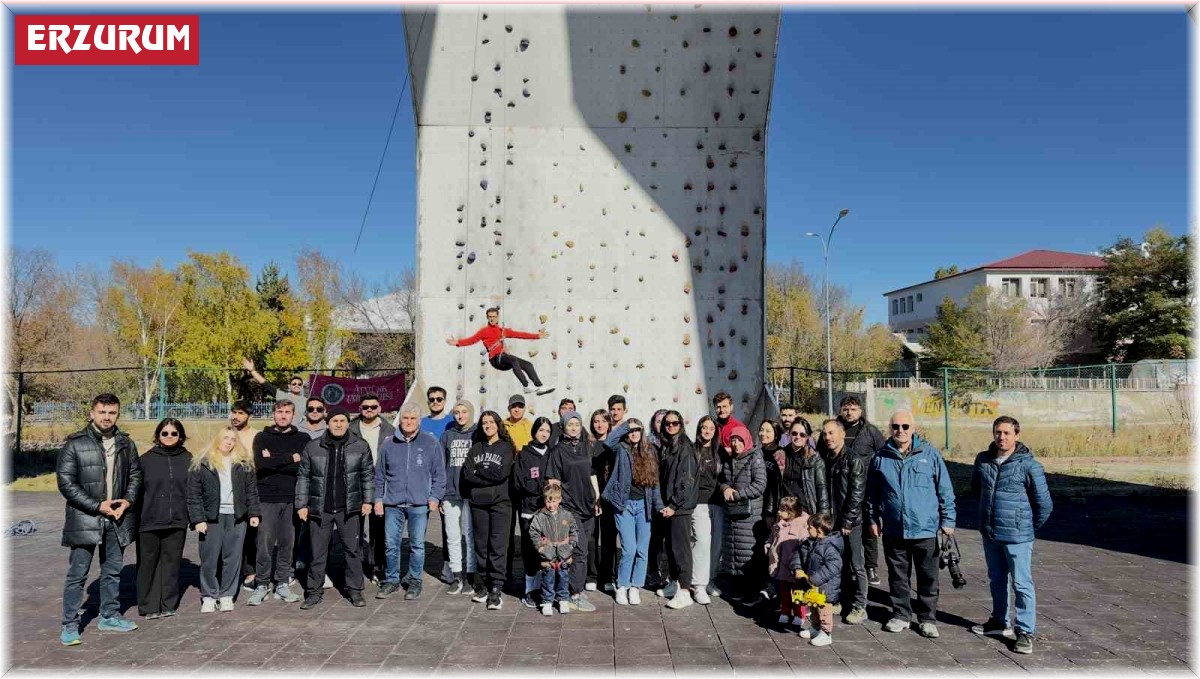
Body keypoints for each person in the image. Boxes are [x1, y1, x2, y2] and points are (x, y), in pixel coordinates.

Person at [57, 393, 143, 645]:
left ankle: (109, 616)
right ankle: (70, 625)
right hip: (85, 519)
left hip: (117, 518)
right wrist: (98, 506)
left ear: (118, 414)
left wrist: (127, 501)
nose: (107, 417)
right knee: (77, 575)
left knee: (112, 572)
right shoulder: (74, 444)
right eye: (102, 412)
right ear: (92, 413)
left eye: (112, 412)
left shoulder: (126, 443)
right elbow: (66, 483)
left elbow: (136, 475)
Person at [867, 411, 956, 638]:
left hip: (925, 529)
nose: (901, 431)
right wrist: (872, 518)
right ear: (889, 428)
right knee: (898, 577)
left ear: (913, 428)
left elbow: (944, 489)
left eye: (905, 426)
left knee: (928, 578)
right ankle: (901, 615)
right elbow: (872, 494)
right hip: (895, 529)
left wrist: (948, 520)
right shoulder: (880, 457)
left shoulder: (930, 454)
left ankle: (927, 619)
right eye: (896, 426)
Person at [969, 416, 1052, 655]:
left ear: (1016, 435)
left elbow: (1044, 504)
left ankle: (1025, 631)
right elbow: (978, 490)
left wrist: (1026, 527)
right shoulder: (983, 460)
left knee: (1022, 583)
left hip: (1018, 536)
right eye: (997, 432)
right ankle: (998, 621)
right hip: (990, 533)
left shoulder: (1029, 465)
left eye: (1006, 433)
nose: (1001, 437)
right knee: (996, 579)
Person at [295, 406, 375, 609]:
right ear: (327, 423)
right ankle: (313, 592)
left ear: (348, 423)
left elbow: (367, 475)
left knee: (352, 551)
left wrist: (368, 501)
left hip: (349, 508)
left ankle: (355, 591)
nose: (338, 424)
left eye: (342, 421)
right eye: (334, 421)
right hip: (320, 508)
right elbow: (303, 477)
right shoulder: (313, 447)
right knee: (318, 552)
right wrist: (301, 504)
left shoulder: (360, 445)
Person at [374, 403, 445, 600]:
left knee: (417, 545)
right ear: (400, 419)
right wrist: (378, 499)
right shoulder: (388, 444)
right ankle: (391, 580)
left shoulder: (430, 442)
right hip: (393, 504)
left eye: (413, 418)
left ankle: (415, 581)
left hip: (419, 504)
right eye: (405, 418)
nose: (409, 422)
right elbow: (379, 475)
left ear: (419, 421)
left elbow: (439, 473)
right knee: (391, 544)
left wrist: (434, 497)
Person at [187, 426, 261, 613]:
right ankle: (209, 595)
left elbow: (251, 491)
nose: (229, 441)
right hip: (212, 517)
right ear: (217, 439)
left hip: (237, 517)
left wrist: (253, 513)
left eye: (233, 438)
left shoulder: (243, 464)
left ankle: (227, 594)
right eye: (225, 438)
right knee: (209, 558)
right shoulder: (202, 463)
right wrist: (198, 519)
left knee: (232, 558)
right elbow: (193, 494)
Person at [818, 395, 886, 586]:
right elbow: (820, 454)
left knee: (869, 529)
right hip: (838, 488)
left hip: (865, 488)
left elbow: (882, 456)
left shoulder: (870, 432)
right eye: (846, 409)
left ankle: (871, 566)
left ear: (861, 411)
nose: (849, 412)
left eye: (853, 409)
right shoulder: (831, 429)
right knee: (843, 531)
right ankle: (844, 568)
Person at [247, 401, 308, 605]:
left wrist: (274, 459)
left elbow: (301, 469)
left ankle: (282, 582)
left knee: (286, 543)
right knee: (264, 543)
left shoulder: (303, 438)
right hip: (266, 497)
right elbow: (261, 465)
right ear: (273, 414)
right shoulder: (262, 437)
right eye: (279, 412)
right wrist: (291, 458)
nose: (283, 416)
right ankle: (262, 583)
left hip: (291, 498)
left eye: (287, 412)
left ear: (293, 415)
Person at [601, 418, 663, 606]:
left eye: (638, 429)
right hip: (624, 505)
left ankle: (635, 586)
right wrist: (625, 426)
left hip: (644, 505)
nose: (634, 433)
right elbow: (607, 442)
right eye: (631, 430)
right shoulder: (621, 448)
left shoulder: (650, 450)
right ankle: (622, 586)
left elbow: (655, 483)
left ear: (643, 432)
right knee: (629, 549)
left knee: (643, 550)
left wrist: (658, 506)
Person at [546, 411, 601, 612]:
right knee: (579, 550)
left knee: (584, 550)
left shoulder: (587, 446)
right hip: (570, 507)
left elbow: (592, 474)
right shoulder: (558, 450)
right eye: (570, 424)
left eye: (577, 424)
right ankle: (574, 594)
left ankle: (573, 587)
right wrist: (557, 507)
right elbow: (553, 480)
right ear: (564, 427)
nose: (574, 427)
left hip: (588, 505)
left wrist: (597, 498)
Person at [137, 418, 191, 620]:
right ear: (158, 435)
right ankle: (149, 605)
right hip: (149, 520)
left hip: (177, 520)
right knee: (148, 564)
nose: (169, 437)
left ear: (181, 436)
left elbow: (193, 490)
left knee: (171, 563)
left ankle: (168, 603)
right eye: (165, 433)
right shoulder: (145, 460)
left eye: (174, 433)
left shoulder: (188, 459)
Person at [460, 410, 515, 610]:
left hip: (501, 504)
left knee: (498, 546)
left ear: (498, 424)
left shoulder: (506, 448)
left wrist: (480, 471)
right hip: (478, 504)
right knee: (481, 546)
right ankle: (483, 585)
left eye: (491, 422)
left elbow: (502, 473)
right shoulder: (476, 448)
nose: (488, 425)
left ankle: (496, 589)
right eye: (484, 422)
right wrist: (487, 474)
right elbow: (467, 474)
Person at [819, 418, 868, 625]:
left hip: (850, 522)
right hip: (833, 521)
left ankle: (859, 606)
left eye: (831, 433)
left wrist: (848, 521)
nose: (828, 437)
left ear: (842, 434)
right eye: (824, 434)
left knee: (856, 564)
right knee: (837, 563)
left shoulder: (853, 459)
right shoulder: (826, 458)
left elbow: (857, 494)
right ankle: (840, 599)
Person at [446, 306, 554, 395]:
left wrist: (538, 336)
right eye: (490, 317)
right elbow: (472, 340)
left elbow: (520, 334)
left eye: (494, 316)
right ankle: (526, 386)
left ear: (498, 317)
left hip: (504, 359)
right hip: (495, 359)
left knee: (528, 364)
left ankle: (540, 387)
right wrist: (457, 342)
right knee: (513, 360)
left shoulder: (502, 331)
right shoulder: (484, 331)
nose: (492, 319)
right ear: (487, 318)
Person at [350, 394, 396, 584]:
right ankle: (356, 567)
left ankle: (378, 567)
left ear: (379, 408)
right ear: (360, 408)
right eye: (365, 407)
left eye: (373, 406)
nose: (369, 409)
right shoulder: (351, 428)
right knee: (354, 529)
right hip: (355, 484)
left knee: (379, 531)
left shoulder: (390, 430)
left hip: (380, 485)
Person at [718, 425, 766, 602]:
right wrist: (725, 488)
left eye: (739, 440)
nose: (736, 444)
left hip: (749, 515)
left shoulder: (755, 458)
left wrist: (737, 495)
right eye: (733, 440)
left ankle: (752, 592)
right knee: (733, 552)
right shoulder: (730, 460)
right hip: (733, 514)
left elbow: (759, 485)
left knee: (748, 553)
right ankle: (738, 589)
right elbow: (722, 480)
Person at [658, 410, 700, 610]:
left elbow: (686, 481)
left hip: (680, 507)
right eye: (667, 424)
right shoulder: (669, 446)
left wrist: (674, 505)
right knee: (672, 549)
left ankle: (684, 591)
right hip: (670, 506)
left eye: (675, 423)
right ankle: (675, 584)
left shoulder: (685, 448)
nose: (671, 426)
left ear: (681, 425)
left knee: (681, 550)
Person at [512, 417, 554, 607]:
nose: (544, 434)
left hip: (549, 511)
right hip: (530, 510)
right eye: (541, 430)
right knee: (530, 550)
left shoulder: (552, 453)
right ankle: (530, 589)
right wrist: (541, 488)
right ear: (534, 431)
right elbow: (520, 482)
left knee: (546, 551)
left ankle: (545, 588)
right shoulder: (524, 455)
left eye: (547, 431)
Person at [439, 399, 478, 592]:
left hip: (470, 492)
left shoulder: (477, 433)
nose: (460, 416)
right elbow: (440, 465)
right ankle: (456, 574)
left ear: (470, 413)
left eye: (464, 412)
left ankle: (470, 575)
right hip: (450, 493)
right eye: (456, 412)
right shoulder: (447, 435)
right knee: (452, 534)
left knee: (469, 535)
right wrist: (439, 494)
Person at [791, 512, 844, 647]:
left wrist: (814, 579)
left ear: (819, 531)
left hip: (825, 588)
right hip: (811, 586)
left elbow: (834, 565)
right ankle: (815, 628)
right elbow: (798, 554)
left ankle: (826, 633)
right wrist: (797, 568)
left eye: (809, 527)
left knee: (824, 611)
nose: (807, 530)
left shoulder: (829, 547)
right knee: (813, 608)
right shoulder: (807, 542)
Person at [528, 484, 579, 616]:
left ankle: (563, 599)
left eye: (554, 501)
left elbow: (574, 531)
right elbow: (533, 532)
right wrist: (542, 547)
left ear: (560, 499)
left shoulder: (567, 515)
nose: (551, 505)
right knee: (547, 578)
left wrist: (570, 545)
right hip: (548, 554)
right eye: (548, 501)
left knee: (564, 577)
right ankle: (547, 601)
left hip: (564, 554)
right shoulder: (540, 516)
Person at [690, 415, 723, 601]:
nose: (707, 431)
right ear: (699, 429)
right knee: (701, 542)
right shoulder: (693, 450)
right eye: (704, 427)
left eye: (711, 428)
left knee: (715, 545)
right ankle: (698, 585)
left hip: (716, 502)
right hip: (699, 502)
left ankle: (709, 579)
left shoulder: (720, 452)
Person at [230, 399, 261, 594]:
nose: (236, 416)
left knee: (251, 533)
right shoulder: (225, 434)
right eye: (233, 412)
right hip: (229, 490)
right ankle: (230, 572)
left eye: (240, 413)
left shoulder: (257, 435)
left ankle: (250, 572)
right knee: (230, 533)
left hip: (250, 487)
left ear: (248, 416)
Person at [767, 496, 809, 628]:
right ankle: (785, 611)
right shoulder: (778, 525)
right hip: (782, 565)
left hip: (795, 565)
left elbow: (805, 545)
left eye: (782, 510)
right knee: (784, 590)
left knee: (798, 591)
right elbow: (772, 537)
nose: (779, 512)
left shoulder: (802, 526)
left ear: (791, 513)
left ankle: (799, 614)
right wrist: (768, 546)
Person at [587, 409, 616, 593]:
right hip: (590, 495)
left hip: (609, 496)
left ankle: (608, 575)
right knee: (591, 536)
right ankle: (591, 575)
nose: (599, 424)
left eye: (603, 421)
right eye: (596, 421)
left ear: (609, 423)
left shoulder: (614, 443)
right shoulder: (587, 444)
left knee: (609, 537)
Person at [780, 417, 829, 518]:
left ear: (808, 437)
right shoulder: (781, 455)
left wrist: (823, 517)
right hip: (783, 511)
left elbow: (821, 489)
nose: (798, 437)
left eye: (802, 434)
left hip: (805, 512)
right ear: (789, 433)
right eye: (794, 433)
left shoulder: (814, 459)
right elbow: (774, 487)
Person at [243, 358, 306, 426]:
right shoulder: (283, 396)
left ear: (302, 386)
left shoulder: (306, 401)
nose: (297, 385)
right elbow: (266, 384)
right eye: (294, 384)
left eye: (299, 384)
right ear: (289, 386)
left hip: (300, 432)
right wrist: (252, 371)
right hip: (283, 430)